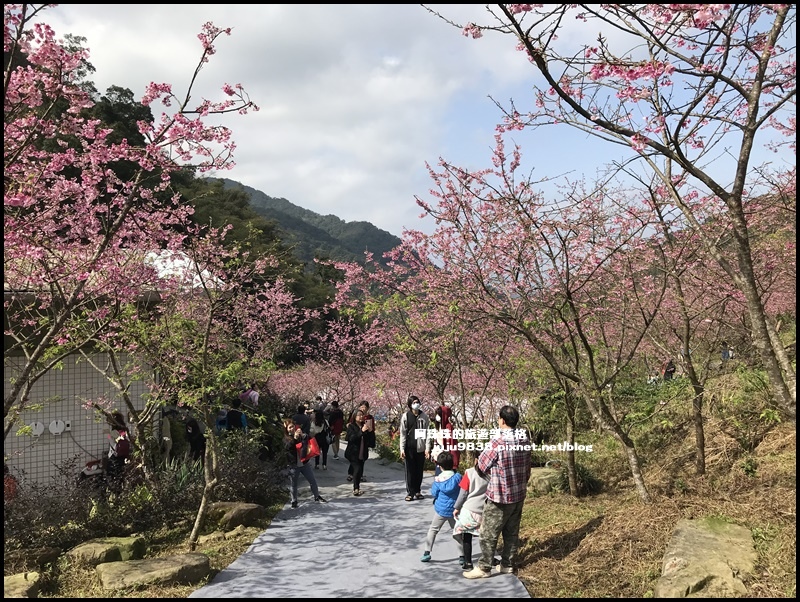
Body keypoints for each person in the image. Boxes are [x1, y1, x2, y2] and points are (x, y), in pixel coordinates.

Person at [463, 404, 532, 579]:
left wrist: (477, 461)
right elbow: (527, 466)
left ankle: (485, 567)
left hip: (500, 496)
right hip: (519, 493)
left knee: (488, 533)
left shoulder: (498, 441)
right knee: (512, 532)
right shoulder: (525, 439)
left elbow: (482, 467)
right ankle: (507, 565)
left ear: (501, 420)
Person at [420, 451, 463, 563]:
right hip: (455, 510)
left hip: (441, 510)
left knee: (433, 530)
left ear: (440, 465)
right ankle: (462, 557)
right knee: (457, 532)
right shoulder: (458, 477)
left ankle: (426, 552)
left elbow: (434, 493)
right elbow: (463, 491)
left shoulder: (438, 480)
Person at [452, 459, 490, 571]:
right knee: (485, 537)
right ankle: (489, 559)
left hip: (469, 510)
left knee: (466, 536)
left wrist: (456, 507)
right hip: (484, 510)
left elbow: (463, 494)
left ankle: (468, 562)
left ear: (476, 459)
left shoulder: (469, 472)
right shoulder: (492, 473)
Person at [283, 418, 326, 508]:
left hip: (304, 464)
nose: (292, 428)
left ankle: (316, 496)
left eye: (292, 426)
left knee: (312, 480)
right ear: (286, 429)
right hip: (294, 465)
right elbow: (288, 447)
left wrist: (303, 435)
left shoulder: (299, 435)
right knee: (294, 484)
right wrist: (294, 439)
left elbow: (308, 440)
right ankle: (294, 500)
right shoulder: (286, 439)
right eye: (289, 427)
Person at [399, 395, 430, 501]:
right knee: (410, 471)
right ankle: (410, 492)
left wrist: (427, 448)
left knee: (419, 471)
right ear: (410, 405)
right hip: (409, 447)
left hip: (420, 448)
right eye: (414, 402)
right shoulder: (405, 416)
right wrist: (402, 449)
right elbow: (403, 433)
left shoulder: (424, 416)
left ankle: (418, 491)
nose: (416, 404)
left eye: (417, 402)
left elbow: (428, 434)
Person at [426, 404, 460, 476]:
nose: (437, 416)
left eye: (439, 414)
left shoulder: (448, 427)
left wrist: (453, 461)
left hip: (446, 458)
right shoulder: (438, 426)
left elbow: (452, 443)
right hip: (439, 456)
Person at [102, 410, 131, 492]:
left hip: (114, 458)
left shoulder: (114, 432)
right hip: (124, 457)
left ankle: (115, 495)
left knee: (112, 479)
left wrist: (107, 435)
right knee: (121, 478)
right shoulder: (125, 430)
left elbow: (113, 444)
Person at [344, 409, 370, 496]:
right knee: (357, 469)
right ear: (354, 417)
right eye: (359, 415)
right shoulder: (351, 426)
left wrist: (370, 432)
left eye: (362, 415)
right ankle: (356, 488)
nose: (361, 417)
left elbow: (370, 441)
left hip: (362, 452)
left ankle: (357, 487)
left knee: (360, 470)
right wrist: (361, 432)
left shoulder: (365, 426)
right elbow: (350, 438)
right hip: (353, 453)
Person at [348, 400, 375, 482]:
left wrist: (370, 432)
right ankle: (351, 474)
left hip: (365, 439)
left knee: (362, 459)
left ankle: (360, 475)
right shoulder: (356, 414)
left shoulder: (369, 417)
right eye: (362, 407)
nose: (363, 409)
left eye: (365, 408)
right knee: (354, 459)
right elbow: (351, 423)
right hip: (356, 439)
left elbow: (372, 428)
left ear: (368, 408)